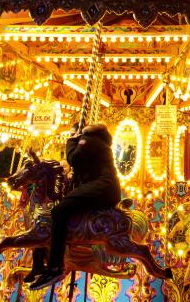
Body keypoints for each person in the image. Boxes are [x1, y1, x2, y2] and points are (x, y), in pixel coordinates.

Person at [29, 123, 121, 291]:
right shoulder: (98, 141)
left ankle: (55, 267)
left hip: (103, 187)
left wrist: (72, 141)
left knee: (58, 212)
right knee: (62, 208)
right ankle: (41, 262)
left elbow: (74, 159)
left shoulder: (89, 140)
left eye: (72, 133)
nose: (70, 136)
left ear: (79, 133)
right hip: (105, 187)